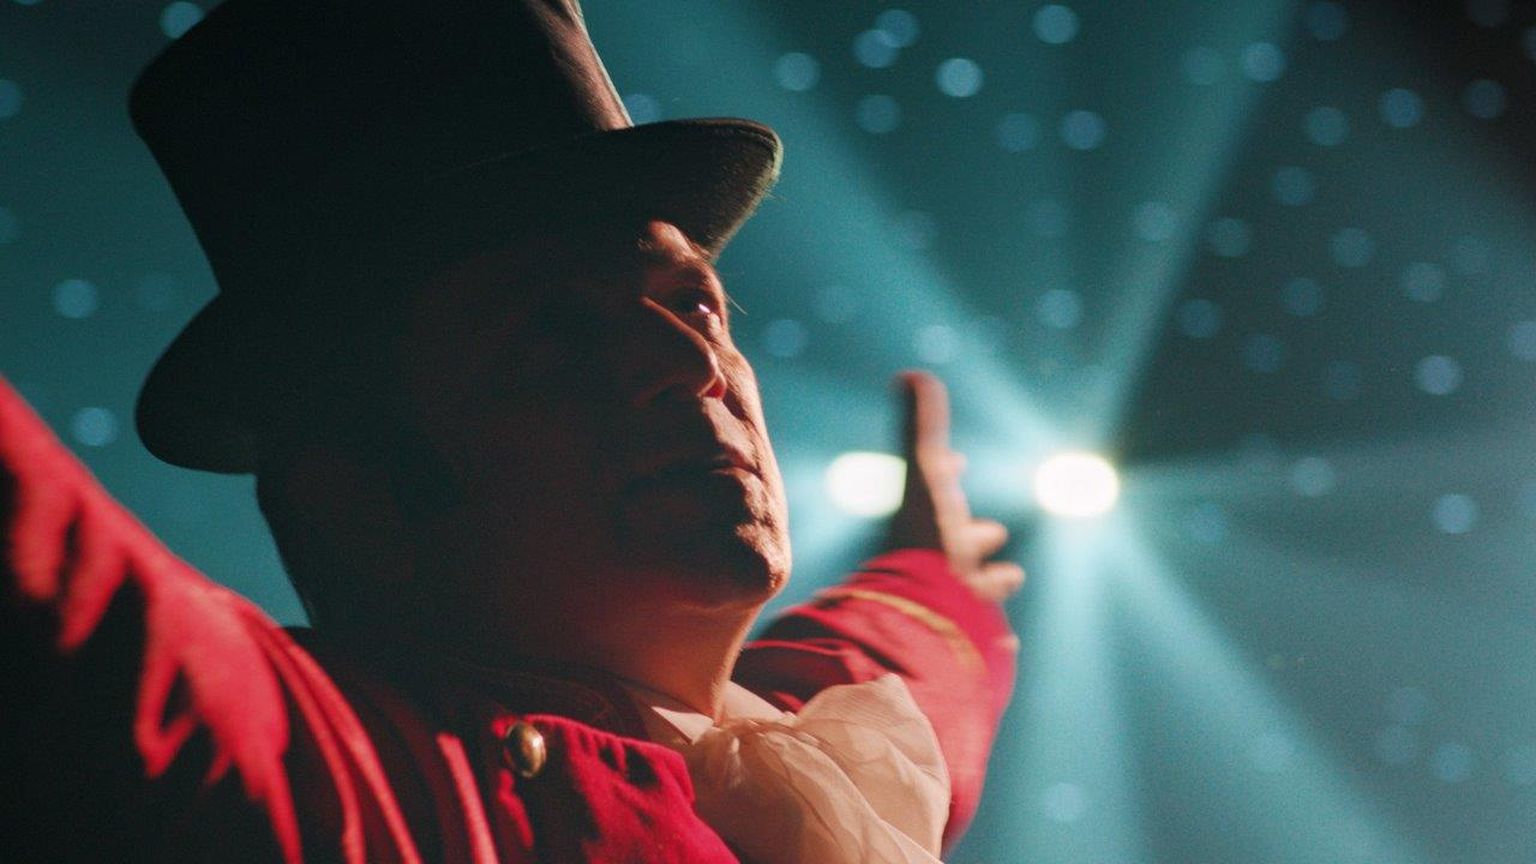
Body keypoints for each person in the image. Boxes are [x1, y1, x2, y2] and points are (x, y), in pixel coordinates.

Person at [0, 1, 1022, 861]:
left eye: (696, 304)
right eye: (554, 332)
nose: (691, 364)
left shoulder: (828, 752)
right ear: (352, 496)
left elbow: (881, 649)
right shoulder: (344, 785)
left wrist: (931, 573)